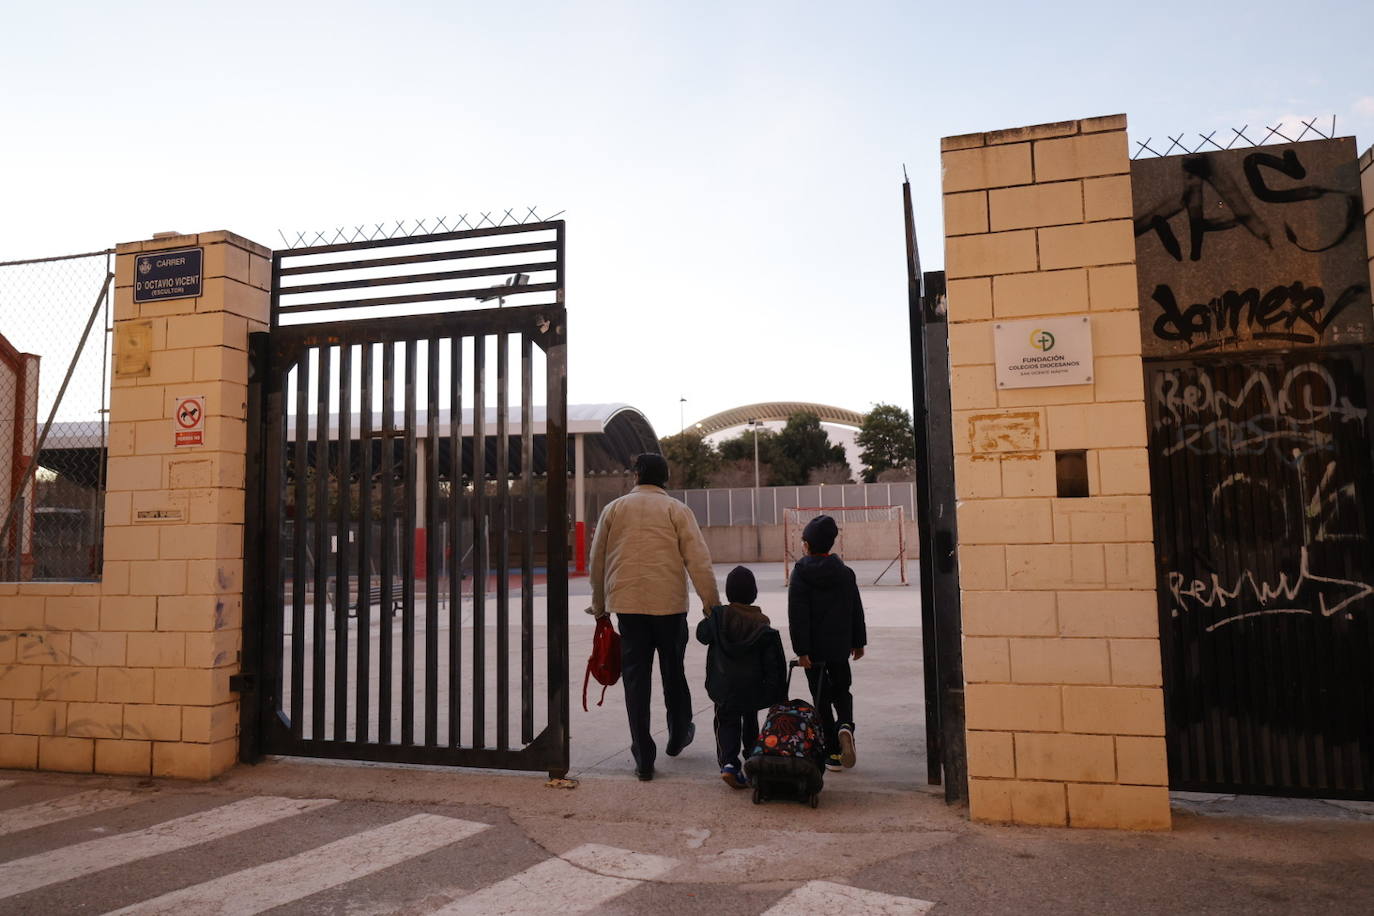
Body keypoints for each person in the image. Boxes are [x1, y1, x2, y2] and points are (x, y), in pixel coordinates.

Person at [587, 453, 720, 780]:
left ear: (636, 475)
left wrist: (600, 609)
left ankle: (643, 755)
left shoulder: (613, 510)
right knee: (673, 672)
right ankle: (677, 734)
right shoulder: (677, 510)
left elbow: (597, 563)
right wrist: (712, 606)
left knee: (636, 679)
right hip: (670, 608)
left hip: (628, 607)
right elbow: (698, 561)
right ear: (666, 478)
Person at [787, 514, 866, 773]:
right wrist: (858, 642)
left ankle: (832, 752)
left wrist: (802, 650)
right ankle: (846, 725)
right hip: (840, 647)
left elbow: (797, 615)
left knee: (820, 697)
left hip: (814, 652)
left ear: (807, 545)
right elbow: (855, 609)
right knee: (843, 689)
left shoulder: (800, 573)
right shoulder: (845, 573)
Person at [695, 566, 787, 789]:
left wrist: (710, 614)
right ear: (754, 594)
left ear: (728, 593)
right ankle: (752, 759)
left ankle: (728, 764)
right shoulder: (762, 624)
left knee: (726, 721)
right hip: (753, 686)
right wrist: (776, 692)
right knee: (750, 722)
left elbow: (701, 635)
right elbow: (772, 664)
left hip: (724, 686)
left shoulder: (719, 617)